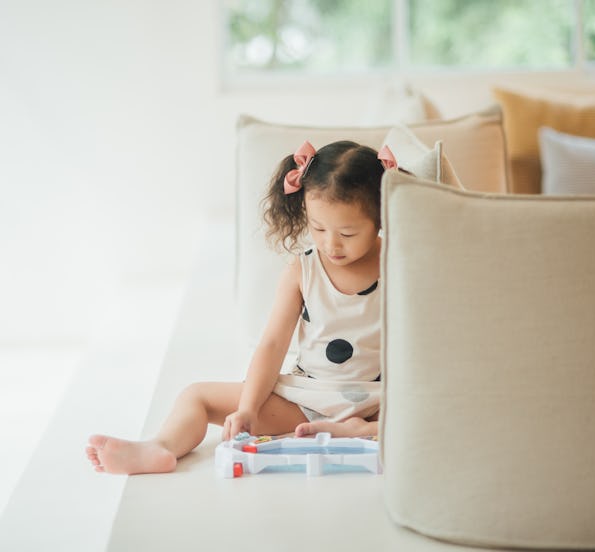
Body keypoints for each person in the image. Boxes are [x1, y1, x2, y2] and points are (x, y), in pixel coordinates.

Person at [86, 139, 397, 474]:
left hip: (378, 402)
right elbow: (272, 345)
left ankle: (361, 431)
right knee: (197, 396)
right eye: (318, 228)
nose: (330, 244)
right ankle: (160, 447)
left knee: (435, 408)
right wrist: (248, 409)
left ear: (381, 217)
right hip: (308, 401)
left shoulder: (396, 263)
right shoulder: (302, 270)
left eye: (348, 233)